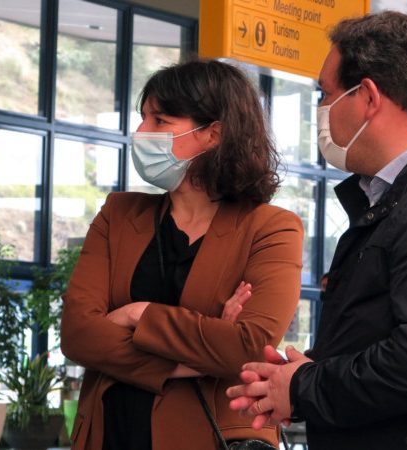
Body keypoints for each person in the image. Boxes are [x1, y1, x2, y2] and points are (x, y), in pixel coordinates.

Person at [226, 11, 407, 450]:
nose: (321, 108)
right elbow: (389, 330)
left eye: (326, 93)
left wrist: (304, 387)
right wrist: (306, 373)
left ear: (368, 96)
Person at [60, 59, 303, 450]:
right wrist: (199, 353)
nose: (141, 132)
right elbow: (78, 335)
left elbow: (248, 347)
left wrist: (138, 314)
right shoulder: (119, 214)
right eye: (143, 118)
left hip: (208, 438)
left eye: (160, 120)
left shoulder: (272, 228)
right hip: (110, 434)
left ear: (213, 134)